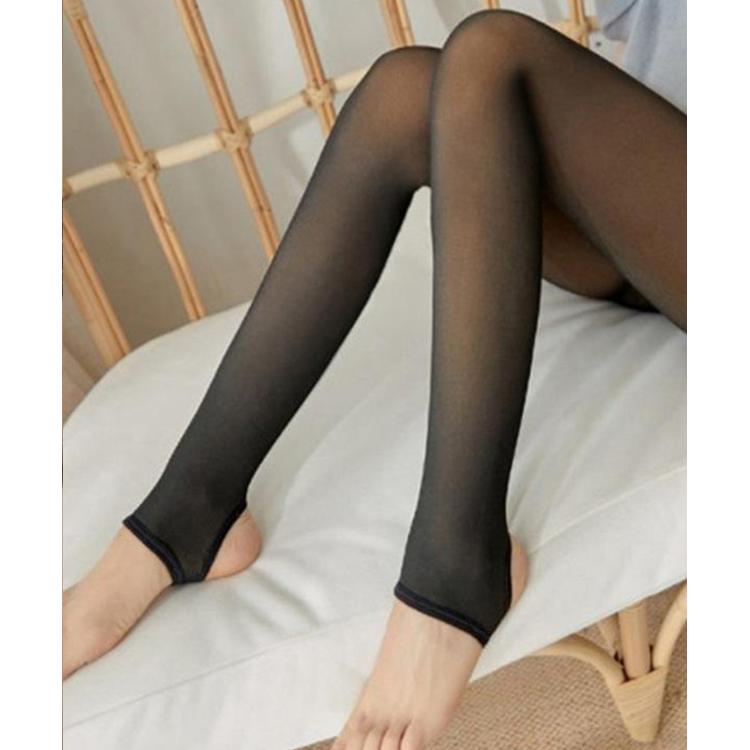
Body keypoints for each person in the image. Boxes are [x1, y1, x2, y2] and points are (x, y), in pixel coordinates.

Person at [63, 2, 686, 747]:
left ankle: (459, 564)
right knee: (405, 89)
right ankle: (186, 514)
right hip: (649, 202)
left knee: (493, 51)